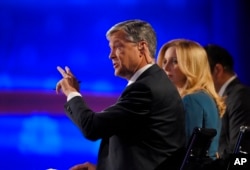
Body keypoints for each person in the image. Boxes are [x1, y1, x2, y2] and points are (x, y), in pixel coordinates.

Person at [56, 19, 186, 170]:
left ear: (141, 47)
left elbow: (91, 127)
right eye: (110, 49)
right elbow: (141, 148)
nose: (111, 56)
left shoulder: (145, 89)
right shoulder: (152, 81)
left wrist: (71, 92)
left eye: (117, 47)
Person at [157, 39, 226, 160]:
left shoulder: (191, 100)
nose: (166, 67)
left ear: (192, 65)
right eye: (164, 61)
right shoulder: (206, 97)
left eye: (175, 62)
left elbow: (188, 152)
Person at [204, 44, 250, 159]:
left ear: (217, 70)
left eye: (201, 71)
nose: (197, 77)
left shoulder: (240, 96)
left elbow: (238, 149)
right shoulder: (219, 96)